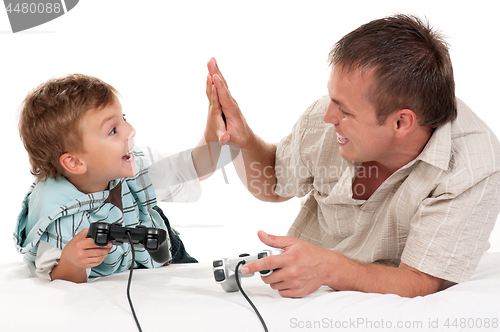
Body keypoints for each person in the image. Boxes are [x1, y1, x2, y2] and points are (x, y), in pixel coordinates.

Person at [204, 14, 500, 298]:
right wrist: (242, 141)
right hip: (315, 290)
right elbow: (273, 184)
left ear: (401, 123)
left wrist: (328, 269)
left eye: (344, 110)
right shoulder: (332, 115)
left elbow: (419, 281)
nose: (327, 116)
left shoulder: (472, 166)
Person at [14, 73, 219, 283]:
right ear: (74, 162)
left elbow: (195, 167)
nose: (131, 131)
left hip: (163, 251)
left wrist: (215, 129)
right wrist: (71, 262)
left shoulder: (133, 163)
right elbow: (57, 279)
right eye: (113, 130)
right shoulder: (56, 213)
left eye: (124, 119)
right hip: (113, 272)